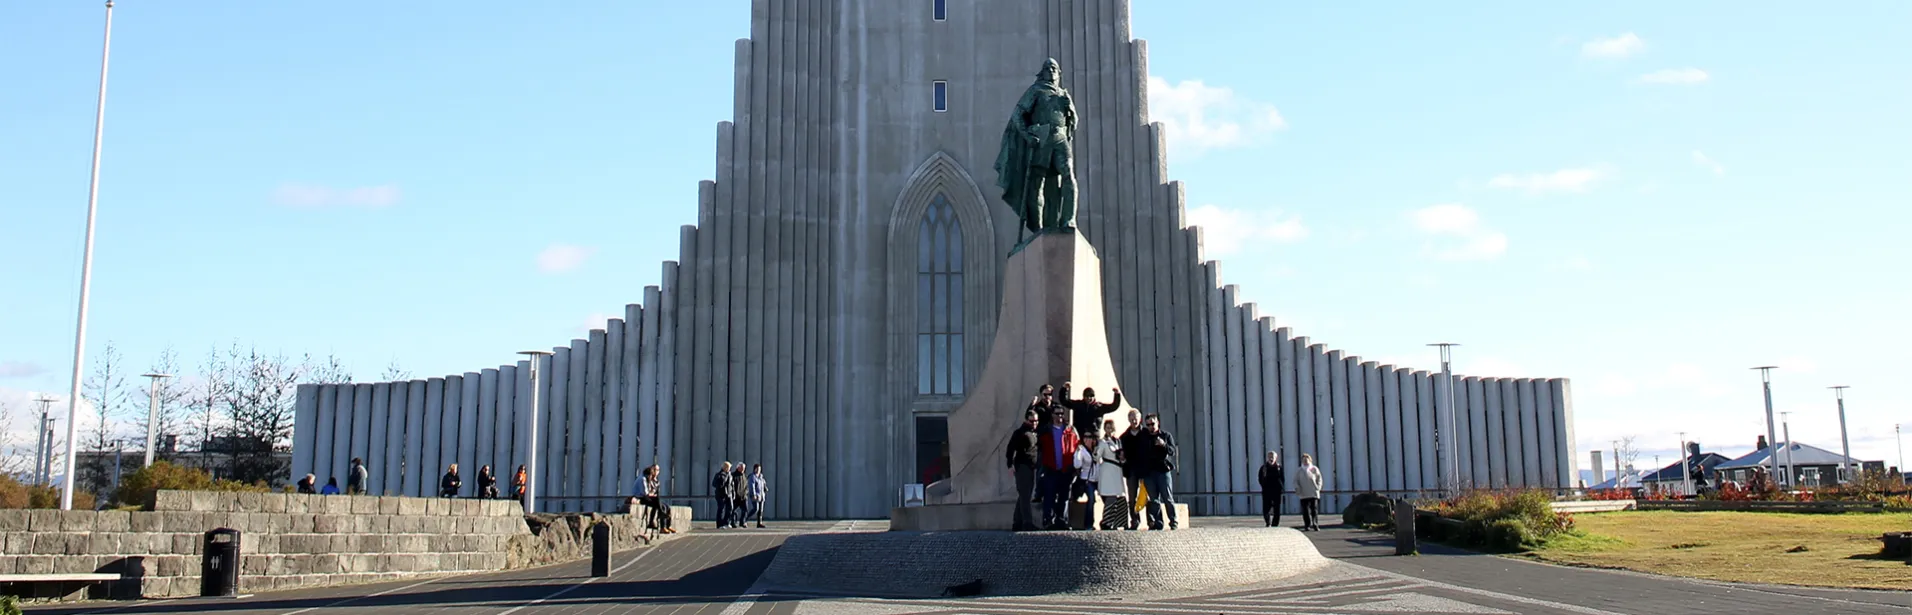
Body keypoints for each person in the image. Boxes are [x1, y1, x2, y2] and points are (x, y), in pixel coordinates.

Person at [1036, 405, 1080, 530]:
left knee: (1064, 497)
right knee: (1049, 496)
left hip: (1066, 469)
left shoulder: (1070, 430)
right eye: (1057, 414)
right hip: (1050, 468)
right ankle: (1048, 520)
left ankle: (1062, 520)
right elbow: (1039, 449)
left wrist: (1076, 467)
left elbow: (1077, 447)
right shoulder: (1045, 431)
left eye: (1062, 414)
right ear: (1052, 415)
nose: (1060, 416)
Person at [1134, 414, 1179, 530]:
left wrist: (1163, 444)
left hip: (1163, 471)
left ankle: (1173, 521)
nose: (1151, 427)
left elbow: (1172, 451)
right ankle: (1158, 523)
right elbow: (1139, 454)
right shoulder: (1143, 437)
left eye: (1152, 424)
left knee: (1167, 497)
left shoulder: (1165, 435)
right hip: (1149, 472)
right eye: (1148, 424)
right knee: (1154, 499)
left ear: (1157, 422)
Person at [1005, 408, 1041, 531]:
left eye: (1036, 421)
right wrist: (1010, 465)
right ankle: (1027, 522)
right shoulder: (1020, 433)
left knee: (1024, 495)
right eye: (1032, 421)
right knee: (1025, 495)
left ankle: (1017, 522)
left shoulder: (1035, 432)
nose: (1034, 423)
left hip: (1032, 466)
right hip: (1022, 466)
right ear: (1026, 420)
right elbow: (1010, 449)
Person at [1094, 420, 1128, 530]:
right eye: (1107, 428)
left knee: (1121, 498)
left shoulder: (1118, 442)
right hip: (1107, 471)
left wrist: (1122, 459)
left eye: (1111, 428)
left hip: (1118, 471)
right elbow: (1097, 456)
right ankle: (1106, 522)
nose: (1110, 430)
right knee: (1110, 497)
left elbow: (1121, 457)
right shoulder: (1103, 442)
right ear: (1104, 429)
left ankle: (1120, 522)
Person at [1117, 408, 1146, 530]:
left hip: (1145, 469)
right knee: (1132, 496)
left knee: (1148, 496)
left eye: (1136, 418)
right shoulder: (1124, 437)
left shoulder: (1146, 433)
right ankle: (1134, 520)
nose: (1134, 420)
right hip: (1131, 470)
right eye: (1132, 418)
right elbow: (1120, 453)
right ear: (1129, 419)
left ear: (1140, 419)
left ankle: (1152, 521)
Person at [633, 464, 675, 534]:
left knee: (667, 506)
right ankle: (662, 527)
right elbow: (645, 493)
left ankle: (667, 525)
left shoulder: (648, 479)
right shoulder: (642, 479)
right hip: (640, 498)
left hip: (645, 497)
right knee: (659, 504)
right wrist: (652, 494)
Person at [1072, 434, 1097, 530]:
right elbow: (1077, 465)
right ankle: (1088, 524)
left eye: (1090, 438)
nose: (1088, 440)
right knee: (1091, 499)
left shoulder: (1095, 450)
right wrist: (1078, 453)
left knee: (1096, 500)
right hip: (1086, 479)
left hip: (1096, 479)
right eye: (1085, 438)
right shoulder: (1081, 450)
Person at [1297, 453, 1324, 531]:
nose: (1305, 461)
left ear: (1310, 460)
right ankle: (1307, 525)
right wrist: (1297, 488)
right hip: (1303, 493)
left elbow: (1319, 478)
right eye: (1304, 459)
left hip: (1313, 493)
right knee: (1305, 510)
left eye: (1307, 459)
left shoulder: (1314, 469)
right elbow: (1296, 480)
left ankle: (1315, 524)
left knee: (1314, 509)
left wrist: (1318, 487)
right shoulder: (1300, 470)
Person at [1258, 451, 1285, 527]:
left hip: (1277, 491)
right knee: (1266, 508)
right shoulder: (1263, 468)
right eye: (1270, 456)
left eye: (1273, 457)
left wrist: (1281, 487)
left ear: (1276, 458)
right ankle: (1268, 522)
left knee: (1277, 508)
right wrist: (1263, 486)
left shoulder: (1279, 467)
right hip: (1266, 491)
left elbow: (1282, 478)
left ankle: (1275, 524)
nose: (1271, 458)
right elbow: (1260, 478)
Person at [711, 462, 735, 528]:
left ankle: (726, 522)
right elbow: (714, 484)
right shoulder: (719, 474)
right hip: (721, 494)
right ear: (725, 467)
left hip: (729, 494)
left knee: (730, 508)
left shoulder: (730, 475)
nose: (729, 469)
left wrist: (733, 493)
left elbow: (732, 485)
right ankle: (719, 524)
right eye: (728, 468)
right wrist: (721, 484)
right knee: (721, 509)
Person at [747, 463, 768, 528]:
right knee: (755, 509)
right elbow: (752, 486)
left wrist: (765, 488)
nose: (759, 470)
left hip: (761, 496)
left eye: (760, 469)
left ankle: (759, 523)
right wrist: (754, 494)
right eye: (758, 469)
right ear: (755, 469)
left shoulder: (761, 477)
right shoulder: (752, 477)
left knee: (760, 510)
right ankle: (745, 518)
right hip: (755, 495)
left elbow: (763, 484)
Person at [730, 462, 749, 528]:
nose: (743, 469)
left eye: (744, 468)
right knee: (733, 510)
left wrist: (746, 493)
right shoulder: (733, 475)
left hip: (743, 496)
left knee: (745, 510)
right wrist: (734, 494)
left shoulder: (744, 476)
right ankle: (733, 522)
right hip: (736, 496)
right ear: (738, 468)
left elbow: (746, 486)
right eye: (742, 468)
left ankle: (742, 522)